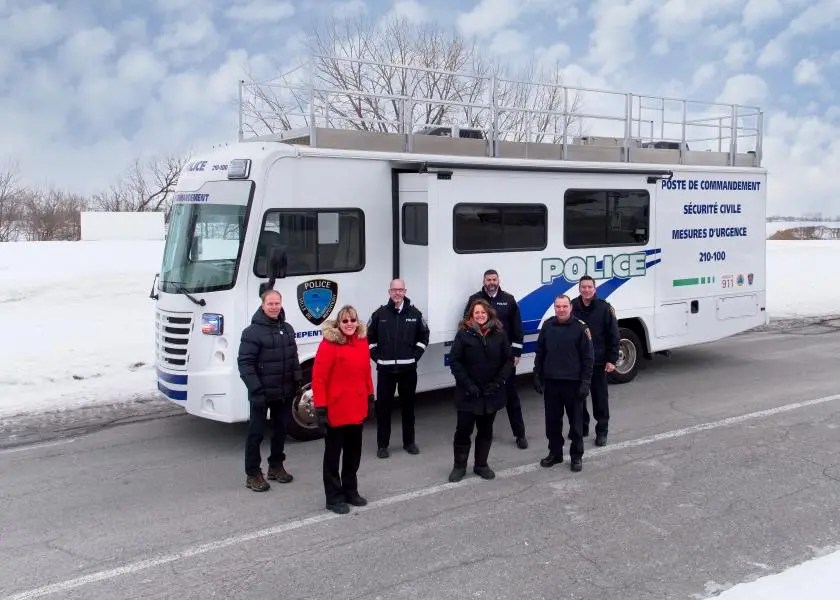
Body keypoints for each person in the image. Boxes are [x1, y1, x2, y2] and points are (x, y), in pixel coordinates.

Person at [312, 305, 375, 515]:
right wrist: (320, 408)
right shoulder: (329, 345)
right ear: (338, 324)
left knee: (353, 454)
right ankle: (333, 497)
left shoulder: (362, 342)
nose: (349, 324)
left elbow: (366, 371)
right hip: (335, 411)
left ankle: (350, 490)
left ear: (357, 322)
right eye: (345, 321)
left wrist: (369, 394)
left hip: (356, 408)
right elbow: (319, 379)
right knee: (332, 457)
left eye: (352, 320)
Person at [237, 289, 302, 492]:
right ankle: (253, 474)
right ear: (262, 305)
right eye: (270, 304)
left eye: (277, 303)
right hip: (261, 393)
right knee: (256, 434)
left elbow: (293, 357)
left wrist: (297, 379)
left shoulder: (288, 328)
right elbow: (245, 363)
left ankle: (276, 466)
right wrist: (255, 389)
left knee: (280, 431)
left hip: (283, 391)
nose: (274, 307)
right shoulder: (252, 332)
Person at [447, 299, 514, 482]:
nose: (480, 315)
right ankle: (459, 466)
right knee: (463, 431)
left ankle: (481, 465)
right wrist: (468, 384)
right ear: (471, 315)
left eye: (483, 312)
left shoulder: (499, 334)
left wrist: (498, 383)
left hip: (490, 394)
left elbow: (508, 360)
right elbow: (455, 361)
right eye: (476, 313)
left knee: (485, 430)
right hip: (468, 394)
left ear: (489, 314)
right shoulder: (463, 334)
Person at [464, 269, 527, 449]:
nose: (491, 282)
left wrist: (516, 354)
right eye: (488, 279)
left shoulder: (508, 300)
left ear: (498, 280)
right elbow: (466, 325)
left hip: (504, 359)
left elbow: (517, 329)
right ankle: (483, 435)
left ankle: (520, 434)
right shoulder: (474, 300)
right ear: (483, 281)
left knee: (512, 398)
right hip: (481, 361)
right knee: (481, 397)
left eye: (494, 279)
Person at [367, 279, 430, 458]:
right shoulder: (380, 314)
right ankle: (382, 445)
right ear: (389, 292)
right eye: (394, 290)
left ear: (405, 291)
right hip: (385, 371)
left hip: (408, 371)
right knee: (383, 410)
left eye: (400, 290)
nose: (397, 293)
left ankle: (409, 442)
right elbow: (369, 338)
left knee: (408, 408)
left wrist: (415, 356)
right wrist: (377, 357)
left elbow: (424, 336)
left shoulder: (415, 314)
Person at [533, 295, 594, 472]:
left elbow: (588, 358)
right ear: (554, 308)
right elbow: (540, 352)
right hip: (552, 383)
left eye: (564, 306)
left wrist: (585, 383)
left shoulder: (581, 328)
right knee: (552, 422)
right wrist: (537, 374)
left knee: (576, 424)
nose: (561, 309)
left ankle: (576, 456)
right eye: (558, 306)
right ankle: (555, 453)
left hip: (573, 384)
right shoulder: (547, 326)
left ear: (570, 307)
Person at [571, 275, 620, 447]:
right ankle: (582, 428)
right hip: (578, 363)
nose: (586, 290)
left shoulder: (604, 308)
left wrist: (612, 359)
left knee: (600, 399)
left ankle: (602, 431)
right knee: (579, 398)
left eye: (589, 287)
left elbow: (614, 335)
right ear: (579, 289)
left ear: (594, 288)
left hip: (598, 362)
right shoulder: (573, 307)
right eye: (583, 287)